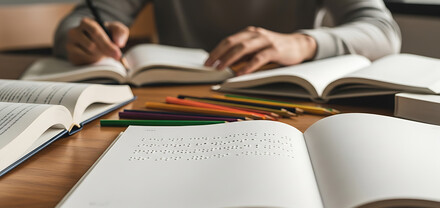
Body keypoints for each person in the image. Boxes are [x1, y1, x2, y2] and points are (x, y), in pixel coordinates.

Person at [54, 0, 401, 75]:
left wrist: (303, 42)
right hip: (171, 104)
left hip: (285, 100)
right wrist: (78, 37)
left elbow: (382, 30)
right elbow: (80, 20)